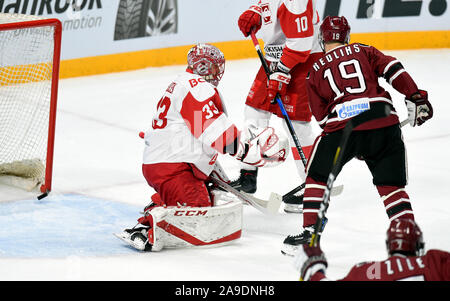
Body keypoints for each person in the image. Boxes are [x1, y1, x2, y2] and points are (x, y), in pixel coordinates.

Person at [281, 16, 433, 256]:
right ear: (346, 37)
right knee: (392, 188)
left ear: (322, 39)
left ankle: (310, 234)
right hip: (383, 118)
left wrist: (354, 142)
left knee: (317, 178)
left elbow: (322, 120)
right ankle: (407, 240)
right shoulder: (364, 50)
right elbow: (393, 68)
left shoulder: (315, 71)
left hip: (343, 127)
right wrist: (415, 96)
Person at [115, 43, 289, 252]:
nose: (218, 72)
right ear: (205, 67)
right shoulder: (197, 87)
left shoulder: (184, 82)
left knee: (204, 199)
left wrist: (214, 171)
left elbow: (197, 131)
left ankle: (161, 206)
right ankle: (153, 223)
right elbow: (210, 129)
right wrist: (246, 152)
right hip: (173, 166)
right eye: (215, 67)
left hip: (169, 162)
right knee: (199, 216)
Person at [230, 0, 323, 213]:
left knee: (297, 125)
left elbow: (301, 42)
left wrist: (281, 71)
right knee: (254, 111)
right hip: (276, 59)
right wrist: (256, 13)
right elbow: (270, 8)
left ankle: (312, 186)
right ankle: (248, 175)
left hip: (303, 60)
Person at [295, 218, 450, 281]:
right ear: (418, 245)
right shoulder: (434, 262)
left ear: (389, 245)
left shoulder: (365, 271)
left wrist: (313, 269)